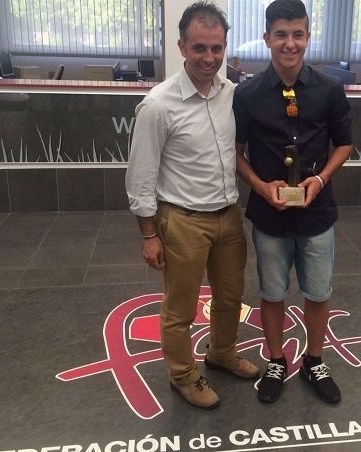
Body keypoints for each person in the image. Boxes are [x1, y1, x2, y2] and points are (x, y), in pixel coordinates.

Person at [125, 1, 258, 411]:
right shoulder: (158, 104)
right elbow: (141, 175)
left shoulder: (232, 95)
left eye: (217, 48)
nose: (209, 58)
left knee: (231, 298)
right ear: (182, 46)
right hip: (182, 220)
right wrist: (149, 235)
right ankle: (183, 375)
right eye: (200, 47)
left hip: (228, 216)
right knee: (180, 308)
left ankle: (222, 353)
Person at [233, 0, 352, 405]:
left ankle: (314, 360)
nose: (290, 43)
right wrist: (259, 185)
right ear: (267, 37)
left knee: (317, 293)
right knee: (272, 293)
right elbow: (235, 152)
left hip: (317, 212)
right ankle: (276, 360)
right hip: (269, 213)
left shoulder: (329, 90)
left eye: (297, 34)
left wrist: (320, 179)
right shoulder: (247, 94)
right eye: (281, 34)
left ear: (307, 37)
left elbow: (345, 144)